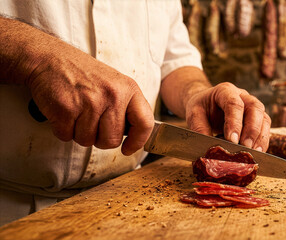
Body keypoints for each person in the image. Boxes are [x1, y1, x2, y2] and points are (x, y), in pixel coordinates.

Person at [0, 0, 271, 226]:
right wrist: (39, 57)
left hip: (127, 202)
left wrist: (194, 93)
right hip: (10, 209)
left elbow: (172, 61)